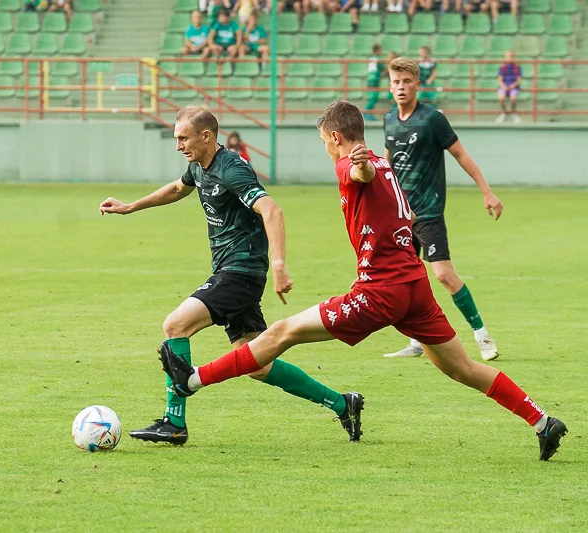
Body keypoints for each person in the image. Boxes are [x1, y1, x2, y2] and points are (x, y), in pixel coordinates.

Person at [160, 100, 568, 462]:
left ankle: (192, 379)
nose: (325, 149)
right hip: (415, 287)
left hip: (380, 291)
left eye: (323, 141)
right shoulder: (385, 162)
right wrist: (364, 163)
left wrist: (357, 165)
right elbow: (371, 171)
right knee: (462, 368)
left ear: (335, 136)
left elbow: (361, 174)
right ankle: (541, 420)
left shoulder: (352, 164)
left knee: (281, 333)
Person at [99, 106, 364, 445]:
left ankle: (174, 422)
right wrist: (130, 206)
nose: (178, 145)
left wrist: (280, 264)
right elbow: (179, 188)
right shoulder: (199, 166)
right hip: (232, 271)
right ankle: (343, 403)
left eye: (183, 138)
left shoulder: (232, 169)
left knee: (176, 325)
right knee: (258, 363)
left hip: (241, 271)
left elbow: (272, 210)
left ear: (206, 136)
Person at [383, 57, 502, 361]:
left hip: (429, 212)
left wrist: (486, 191)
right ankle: (415, 341)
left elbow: (462, 156)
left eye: (406, 81)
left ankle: (482, 335)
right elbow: (387, 164)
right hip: (400, 217)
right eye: (396, 81)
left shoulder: (433, 119)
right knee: (403, 279)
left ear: (417, 85)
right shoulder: (389, 120)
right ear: (389, 85)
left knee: (444, 276)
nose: (401, 87)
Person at [496, 51, 522, 124]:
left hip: (514, 87)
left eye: (510, 56)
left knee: (513, 98)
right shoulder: (502, 67)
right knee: (501, 97)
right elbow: (499, 79)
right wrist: (503, 86)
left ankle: (513, 113)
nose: (508, 58)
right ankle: (503, 113)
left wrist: (513, 85)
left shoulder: (517, 68)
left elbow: (519, 80)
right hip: (503, 86)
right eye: (507, 56)